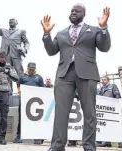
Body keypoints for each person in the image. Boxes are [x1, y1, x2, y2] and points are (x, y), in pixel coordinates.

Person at [41, 3, 111, 151]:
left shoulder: (93, 30)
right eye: (72, 10)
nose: (73, 12)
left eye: (77, 11)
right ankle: (57, 147)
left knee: (89, 114)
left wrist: (104, 28)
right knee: (61, 112)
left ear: (84, 14)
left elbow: (104, 48)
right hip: (64, 75)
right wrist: (47, 35)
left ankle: (89, 147)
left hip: (87, 74)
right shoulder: (61, 33)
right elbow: (51, 51)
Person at [13, 62, 44, 144]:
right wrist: (21, 94)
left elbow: (43, 89)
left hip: (35, 102)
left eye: (33, 69)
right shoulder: (22, 76)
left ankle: (37, 138)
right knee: (21, 119)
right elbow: (18, 86)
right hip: (24, 101)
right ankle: (19, 136)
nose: (31, 71)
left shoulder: (39, 77)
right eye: (30, 69)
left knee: (36, 120)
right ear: (27, 68)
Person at [97, 76, 121, 148]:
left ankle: (120, 142)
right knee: (106, 126)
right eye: (102, 80)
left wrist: (116, 105)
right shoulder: (101, 89)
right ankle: (107, 142)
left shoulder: (113, 86)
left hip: (113, 110)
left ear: (108, 81)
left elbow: (117, 95)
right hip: (105, 111)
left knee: (116, 126)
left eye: (104, 80)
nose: (103, 81)